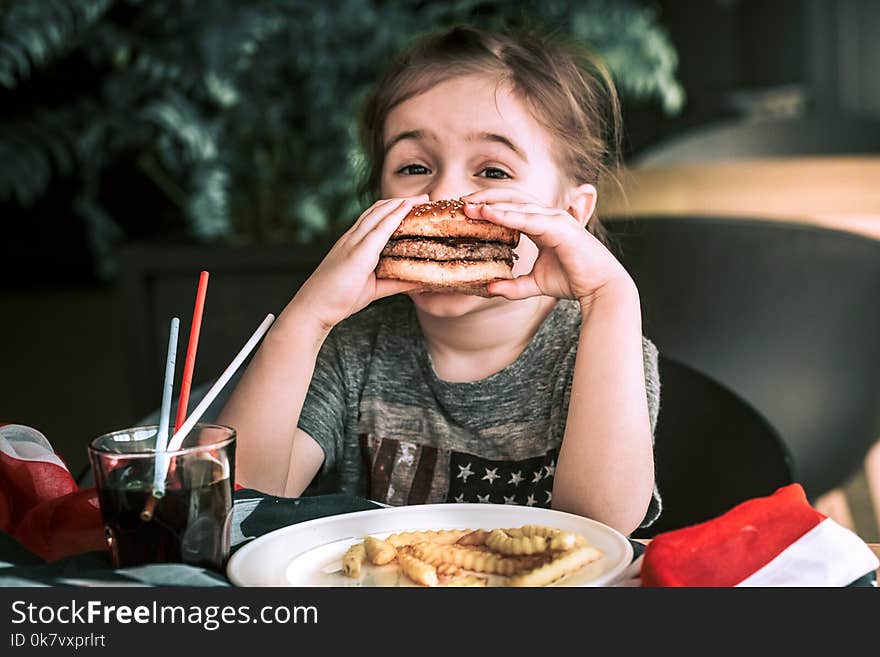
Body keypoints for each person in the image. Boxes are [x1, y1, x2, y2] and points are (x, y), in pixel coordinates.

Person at [217, 26, 661, 536]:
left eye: (493, 171)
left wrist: (611, 296)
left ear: (570, 213)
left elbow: (598, 527)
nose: (443, 194)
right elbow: (240, 501)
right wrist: (307, 319)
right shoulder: (351, 349)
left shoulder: (598, 350)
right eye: (413, 166)